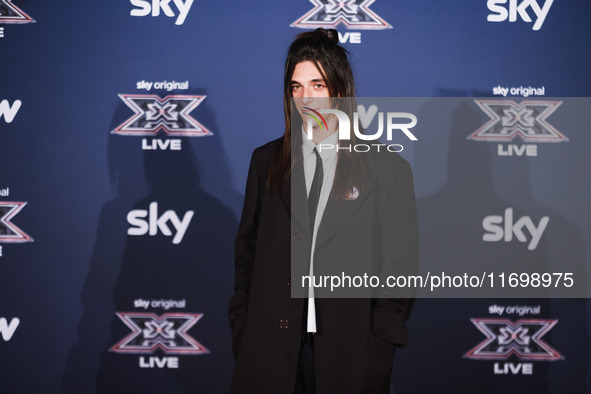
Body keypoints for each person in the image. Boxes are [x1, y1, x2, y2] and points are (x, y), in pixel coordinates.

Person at [229, 28, 418, 394]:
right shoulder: (265, 161)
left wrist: (378, 350)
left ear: (339, 90)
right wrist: (243, 326)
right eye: (296, 87)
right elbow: (247, 256)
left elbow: (399, 272)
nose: (306, 97)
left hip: (351, 357)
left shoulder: (387, 170)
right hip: (270, 352)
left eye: (317, 84)